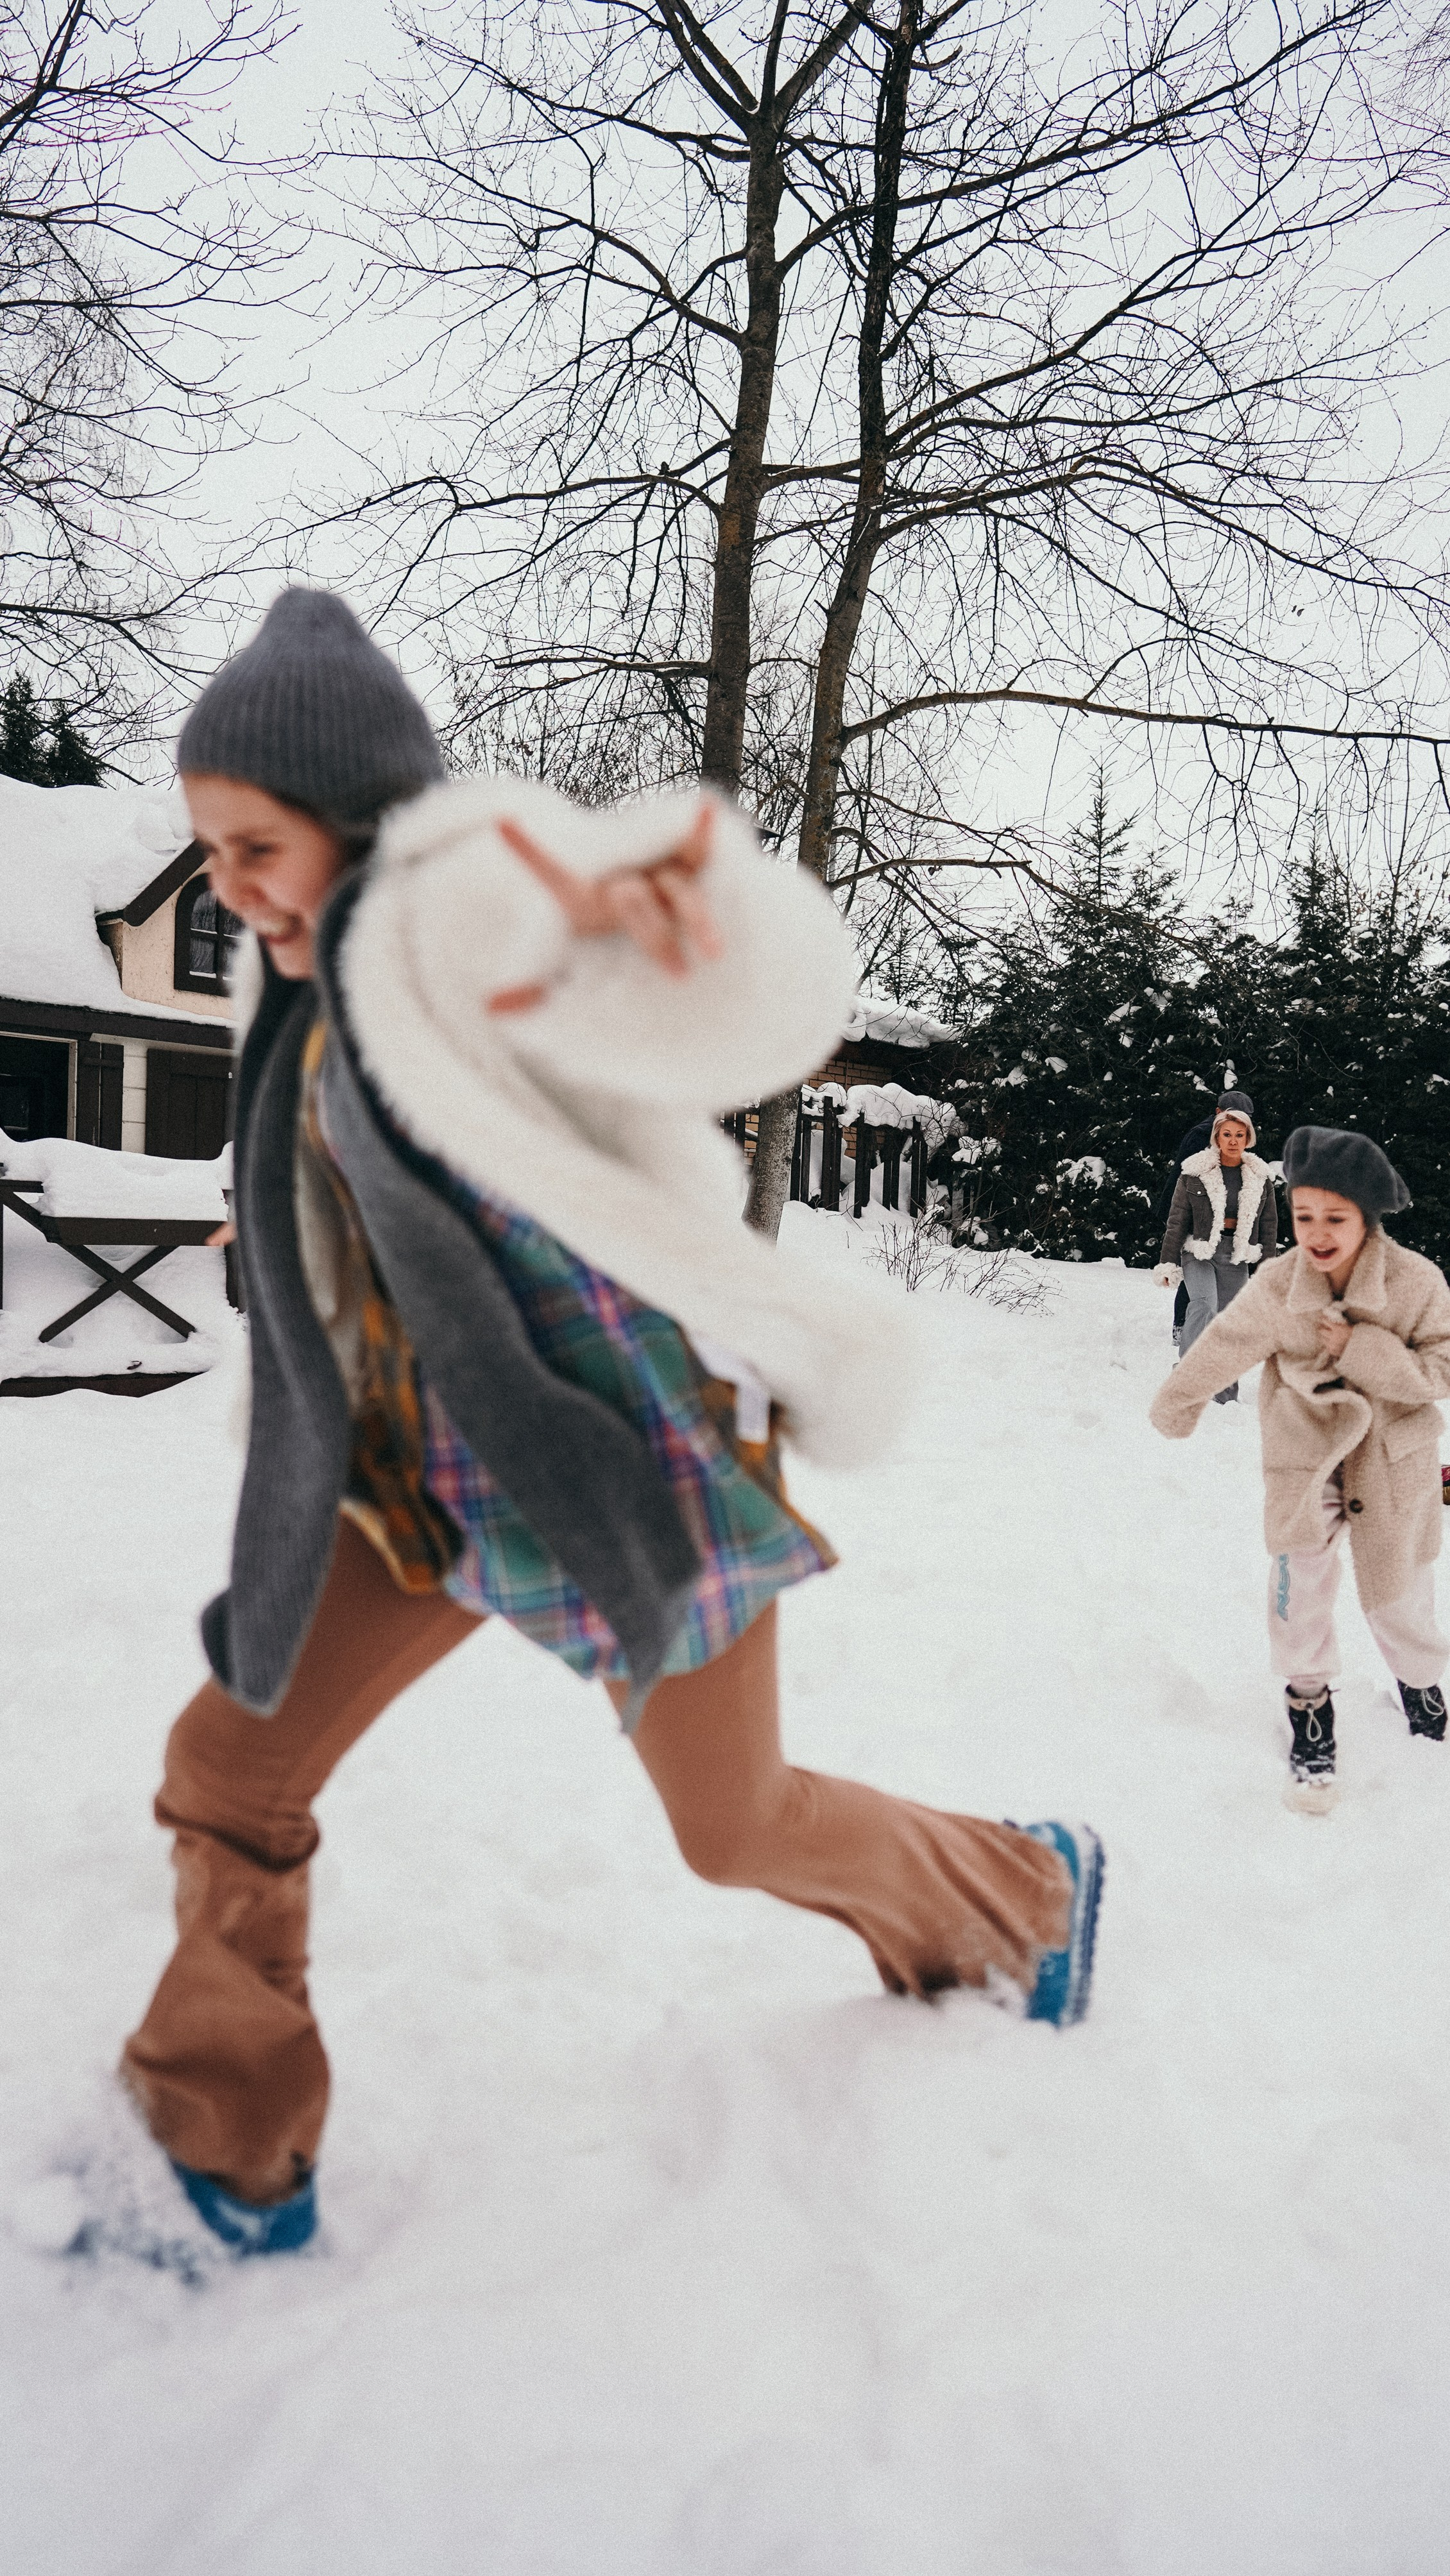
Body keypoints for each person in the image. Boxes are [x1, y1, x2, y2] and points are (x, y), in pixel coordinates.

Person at [113, 591, 1104, 2258]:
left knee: (734, 1830)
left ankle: (1028, 1895)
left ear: (354, 820)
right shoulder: (297, 999)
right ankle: (224, 2147)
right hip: (420, 1488)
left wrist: (675, 921)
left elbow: (711, 998)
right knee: (229, 1772)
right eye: (205, 850)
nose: (229, 886)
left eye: (255, 843)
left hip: (625, 1459)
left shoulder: (446, 908)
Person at [1150, 1124, 1450, 1810]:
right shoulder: (1280, 1283)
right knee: (1299, 1588)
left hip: (1392, 1460)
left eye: (1334, 1217)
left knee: (1402, 1590)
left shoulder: (1416, 1283)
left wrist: (1363, 1346)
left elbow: (1441, 1368)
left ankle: (1419, 1682)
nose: (1316, 1231)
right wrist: (1180, 1397)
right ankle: (1309, 1703)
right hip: (1305, 1459)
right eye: (1305, 1214)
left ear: (1367, 1217)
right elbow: (1227, 1339)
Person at [1154, 1101, 1277, 1403]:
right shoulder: (1195, 1172)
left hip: (1236, 1255)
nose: (1233, 1141)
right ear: (1216, 1138)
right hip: (1198, 1250)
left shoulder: (1261, 1178)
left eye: (1239, 1135)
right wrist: (1168, 1263)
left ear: (1248, 1139)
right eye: (1226, 1134)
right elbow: (1177, 1221)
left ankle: (1223, 1392)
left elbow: (1270, 1227)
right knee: (1205, 1302)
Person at [1151, 1089, 1259, 1350]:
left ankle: (1194, 1326)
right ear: (1219, 1112)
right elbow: (1186, 1174)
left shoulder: (1233, 1135)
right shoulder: (1203, 1134)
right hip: (1193, 1208)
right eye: (1233, 1114)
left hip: (1213, 1212)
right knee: (1196, 1267)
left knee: (1205, 1272)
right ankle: (1182, 1325)